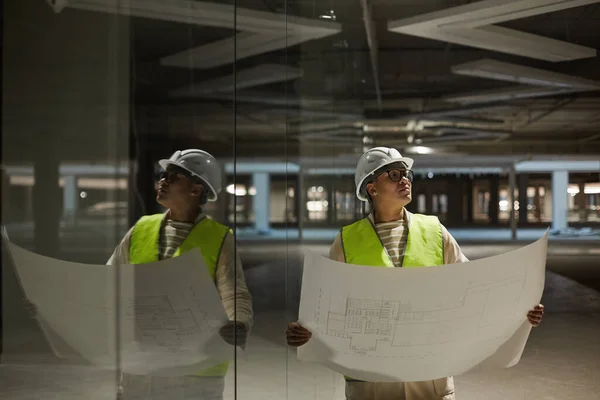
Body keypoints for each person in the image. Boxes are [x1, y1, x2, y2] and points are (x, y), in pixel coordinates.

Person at [286, 146, 544, 400]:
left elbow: (473, 289)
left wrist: (519, 310)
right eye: (394, 174)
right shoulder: (346, 240)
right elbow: (330, 306)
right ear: (371, 188)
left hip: (429, 378)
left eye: (406, 174)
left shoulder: (434, 231)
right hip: (373, 381)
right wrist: (308, 331)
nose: (405, 180)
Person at [109, 149, 253, 400]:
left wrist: (239, 323)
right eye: (162, 175)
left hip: (195, 373)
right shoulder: (140, 229)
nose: (162, 181)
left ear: (196, 189)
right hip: (142, 367)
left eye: (173, 177)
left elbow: (234, 292)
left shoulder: (219, 238)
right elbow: (107, 282)